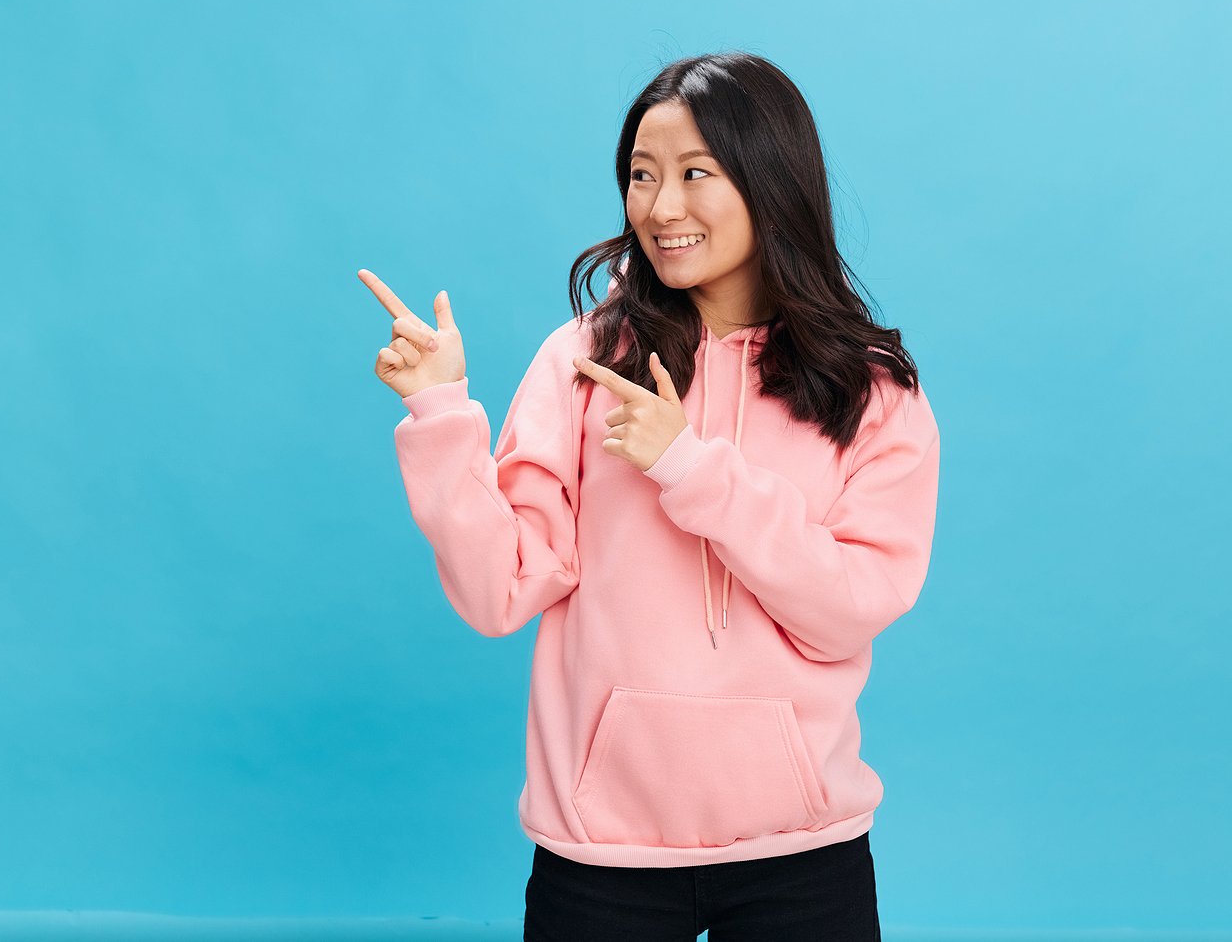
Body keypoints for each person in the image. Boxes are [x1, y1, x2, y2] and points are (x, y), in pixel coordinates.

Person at [358, 52, 939, 941]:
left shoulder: (866, 389)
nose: (660, 207)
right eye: (641, 175)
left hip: (802, 849)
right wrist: (441, 412)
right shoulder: (585, 364)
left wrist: (691, 468)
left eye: (695, 174)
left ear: (772, 182)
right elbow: (498, 590)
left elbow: (850, 606)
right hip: (603, 854)